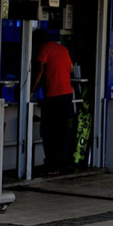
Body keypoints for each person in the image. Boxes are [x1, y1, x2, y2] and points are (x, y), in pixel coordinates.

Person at [31, 29, 75, 175]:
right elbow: (71, 69)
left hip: (53, 95)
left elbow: (39, 70)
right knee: (62, 130)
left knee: (48, 130)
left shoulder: (44, 49)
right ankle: (63, 163)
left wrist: (31, 89)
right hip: (67, 94)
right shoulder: (63, 49)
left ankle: (52, 165)